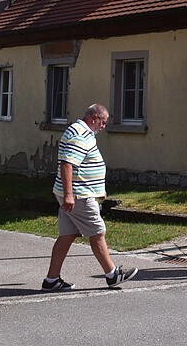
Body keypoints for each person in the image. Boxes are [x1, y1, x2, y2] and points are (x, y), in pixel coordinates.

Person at [42, 104, 138, 290]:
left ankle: (51, 280)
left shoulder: (80, 131)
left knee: (67, 235)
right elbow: (67, 164)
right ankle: (112, 274)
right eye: (103, 122)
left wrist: (98, 189)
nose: (104, 126)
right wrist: (70, 194)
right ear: (94, 118)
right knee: (97, 232)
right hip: (79, 195)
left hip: (76, 192)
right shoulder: (80, 134)